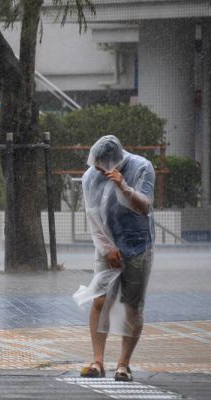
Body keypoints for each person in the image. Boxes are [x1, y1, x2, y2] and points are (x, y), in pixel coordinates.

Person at [73, 135, 155, 382]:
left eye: (100, 164)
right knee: (100, 300)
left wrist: (123, 186)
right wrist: (106, 247)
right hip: (106, 247)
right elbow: (92, 215)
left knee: (132, 306)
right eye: (94, 163)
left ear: (114, 161)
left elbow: (145, 207)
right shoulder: (90, 177)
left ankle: (123, 364)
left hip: (139, 245)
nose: (96, 168)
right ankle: (98, 361)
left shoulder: (141, 167)